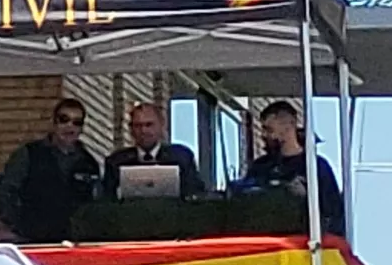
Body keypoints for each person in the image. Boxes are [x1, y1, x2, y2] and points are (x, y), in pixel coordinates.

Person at [0, 96, 103, 242]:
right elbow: (5, 193)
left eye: (77, 122)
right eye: (64, 119)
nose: (70, 126)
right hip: (34, 241)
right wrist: (22, 226)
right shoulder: (30, 154)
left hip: (75, 243)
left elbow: (96, 204)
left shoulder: (89, 163)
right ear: (53, 122)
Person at [232, 98, 345, 233]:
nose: (263, 135)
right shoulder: (260, 167)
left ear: (289, 126)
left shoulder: (316, 167)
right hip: (265, 244)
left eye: (269, 130)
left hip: (301, 246)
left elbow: (334, 215)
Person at [100, 100, 205, 199]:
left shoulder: (182, 158)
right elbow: (107, 200)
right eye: (138, 126)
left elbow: (195, 195)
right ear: (131, 129)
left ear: (161, 125)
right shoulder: (116, 162)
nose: (143, 131)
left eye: (149, 125)